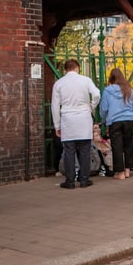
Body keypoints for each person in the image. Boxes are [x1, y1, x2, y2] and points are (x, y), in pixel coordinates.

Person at [51, 59, 101, 189]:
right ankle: (84, 179)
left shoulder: (59, 83)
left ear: (65, 70)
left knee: (69, 151)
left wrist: (57, 125)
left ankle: (70, 180)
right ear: (77, 68)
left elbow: (55, 106)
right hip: (84, 117)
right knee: (85, 150)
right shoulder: (86, 80)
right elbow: (96, 94)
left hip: (68, 118)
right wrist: (91, 106)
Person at [100, 68, 133, 179]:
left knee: (117, 146)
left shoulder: (107, 91)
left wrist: (104, 120)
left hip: (115, 120)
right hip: (130, 119)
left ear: (111, 78)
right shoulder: (129, 89)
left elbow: (104, 108)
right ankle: (128, 169)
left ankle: (120, 172)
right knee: (129, 145)